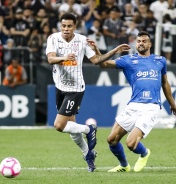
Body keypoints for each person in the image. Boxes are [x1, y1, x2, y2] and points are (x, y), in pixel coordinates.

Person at [45, 13, 130, 172]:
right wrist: (64, 58)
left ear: (75, 27)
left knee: (59, 125)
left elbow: (98, 60)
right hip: (60, 87)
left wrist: (115, 50)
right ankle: (88, 155)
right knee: (72, 128)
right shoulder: (53, 38)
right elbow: (50, 59)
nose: (66, 29)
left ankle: (89, 129)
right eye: (63, 26)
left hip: (75, 89)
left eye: (69, 26)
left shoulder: (82, 41)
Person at [89, 31, 176, 172]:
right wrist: (105, 50)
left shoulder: (160, 60)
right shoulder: (128, 60)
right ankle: (124, 165)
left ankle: (144, 153)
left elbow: (165, 83)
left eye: (144, 41)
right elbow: (103, 64)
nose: (141, 43)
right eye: (138, 41)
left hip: (151, 107)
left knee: (131, 144)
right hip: (134, 105)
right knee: (111, 140)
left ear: (150, 44)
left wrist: (172, 103)